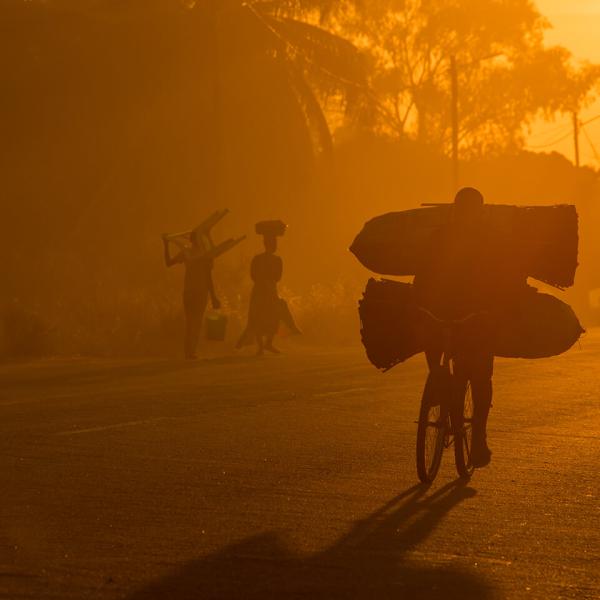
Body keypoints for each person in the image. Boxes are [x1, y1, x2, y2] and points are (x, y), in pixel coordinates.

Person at [413, 187, 527, 468]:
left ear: (478, 211)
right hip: (442, 311)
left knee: (478, 376)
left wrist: (493, 310)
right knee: (434, 347)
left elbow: (502, 278)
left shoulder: (491, 241)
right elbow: (424, 272)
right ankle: (439, 380)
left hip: (477, 316)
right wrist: (419, 303)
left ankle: (478, 434)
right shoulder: (441, 237)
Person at [237, 222, 300, 355]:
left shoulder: (261, 259)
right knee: (261, 317)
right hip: (265, 291)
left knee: (268, 317)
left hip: (265, 291)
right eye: (273, 244)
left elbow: (260, 276)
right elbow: (271, 277)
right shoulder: (275, 260)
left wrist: (264, 281)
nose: (274, 246)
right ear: (269, 245)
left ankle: (265, 345)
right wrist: (266, 281)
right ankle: (264, 345)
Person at [163, 231, 220, 359]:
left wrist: (166, 244)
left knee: (190, 323)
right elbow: (208, 277)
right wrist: (214, 296)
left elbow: (168, 262)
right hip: (199, 292)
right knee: (196, 323)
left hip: (189, 292)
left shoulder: (187, 252)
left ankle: (188, 352)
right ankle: (191, 352)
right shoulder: (205, 255)